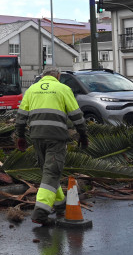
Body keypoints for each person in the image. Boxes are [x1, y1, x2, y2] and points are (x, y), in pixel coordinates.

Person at [14, 67, 88, 226]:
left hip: (37, 137)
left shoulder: (32, 89)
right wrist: (83, 135)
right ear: (58, 76)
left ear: (42, 76)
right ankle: (40, 213)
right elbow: (76, 115)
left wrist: (20, 136)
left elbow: (21, 116)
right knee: (52, 171)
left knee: (49, 172)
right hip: (56, 137)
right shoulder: (62, 88)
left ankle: (60, 205)